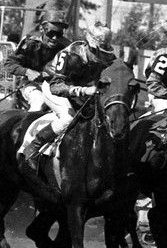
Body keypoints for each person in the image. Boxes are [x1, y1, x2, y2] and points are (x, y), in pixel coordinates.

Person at [18, 23, 117, 168]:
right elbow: (56, 87)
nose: (101, 58)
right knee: (68, 118)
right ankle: (34, 147)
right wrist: (83, 90)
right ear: (89, 46)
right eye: (98, 52)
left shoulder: (104, 57)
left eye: (104, 52)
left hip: (80, 92)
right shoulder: (70, 55)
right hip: (53, 89)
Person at [0, 10, 71, 112]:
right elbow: (8, 64)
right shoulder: (30, 42)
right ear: (42, 29)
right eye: (51, 33)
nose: (55, 38)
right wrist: (27, 72)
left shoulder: (66, 47)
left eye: (59, 34)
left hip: (56, 86)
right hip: (30, 84)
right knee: (40, 102)